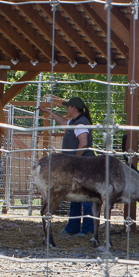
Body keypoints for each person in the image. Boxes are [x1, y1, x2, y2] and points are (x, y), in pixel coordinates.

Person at [46, 96, 95, 235]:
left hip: (83, 167)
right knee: (75, 196)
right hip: (79, 166)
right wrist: (48, 111)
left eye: (67, 107)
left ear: (73, 108)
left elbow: (83, 143)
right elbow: (62, 122)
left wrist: (74, 159)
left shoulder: (80, 124)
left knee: (86, 198)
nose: (66, 109)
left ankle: (87, 230)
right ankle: (73, 228)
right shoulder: (75, 122)